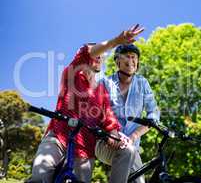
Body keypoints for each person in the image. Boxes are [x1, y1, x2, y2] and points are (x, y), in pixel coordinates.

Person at [28, 24, 144, 183]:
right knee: (40, 177)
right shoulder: (72, 73)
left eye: (102, 55)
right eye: (97, 52)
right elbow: (87, 52)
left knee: (128, 150)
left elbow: (109, 120)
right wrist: (117, 40)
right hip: (59, 138)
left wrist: (115, 134)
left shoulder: (102, 91)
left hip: (84, 149)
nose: (99, 56)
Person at [96, 43, 160, 183]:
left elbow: (153, 114)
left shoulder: (142, 83)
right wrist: (111, 132)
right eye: (127, 56)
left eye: (134, 57)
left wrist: (134, 136)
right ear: (118, 61)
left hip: (131, 145)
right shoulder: (104, 82)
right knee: (127, 153)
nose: (131, 60)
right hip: (106, 142)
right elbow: (98, 110)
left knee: (139, 181)